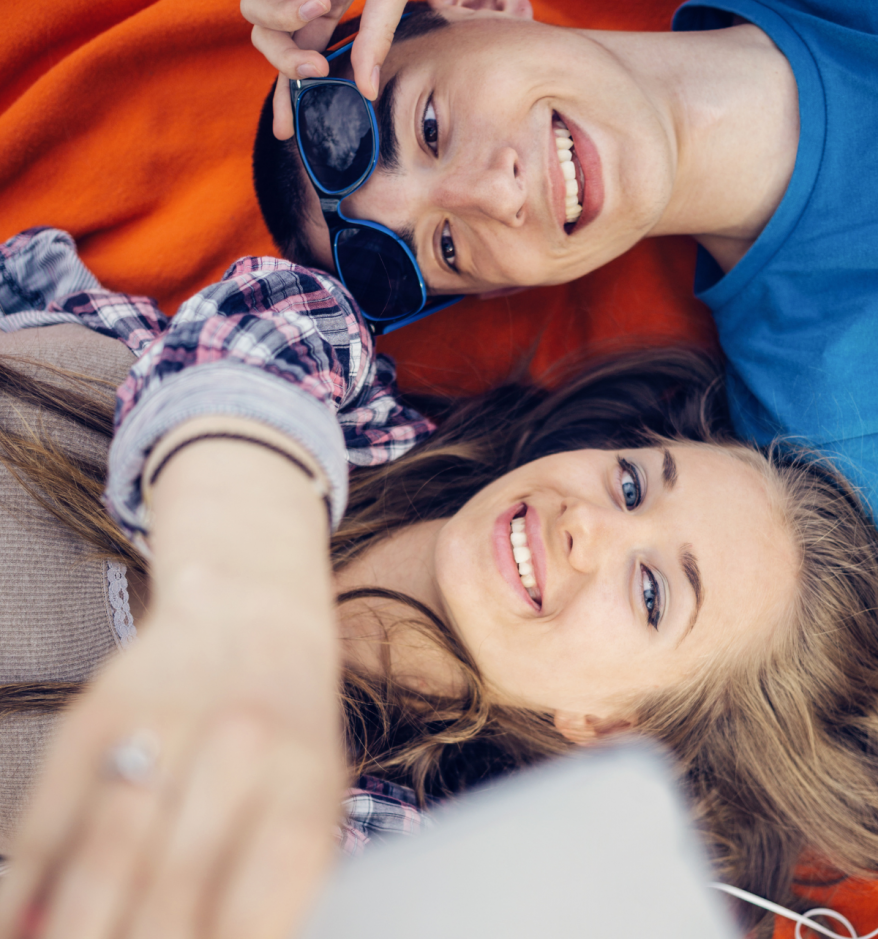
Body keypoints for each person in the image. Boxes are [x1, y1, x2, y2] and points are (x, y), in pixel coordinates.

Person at [1, 227, 878, 939]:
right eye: (634, 482)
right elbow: (249, 351)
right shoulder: (338, 389)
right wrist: (245, 608)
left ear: (614, 729)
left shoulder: (368, 852)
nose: (591, 526)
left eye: (653, 593)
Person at [242, 0, 878, 521]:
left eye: (430, 127)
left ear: (483, 5)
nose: (494, 196)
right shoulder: (832, 438)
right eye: (447, 247)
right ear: (509, 287)